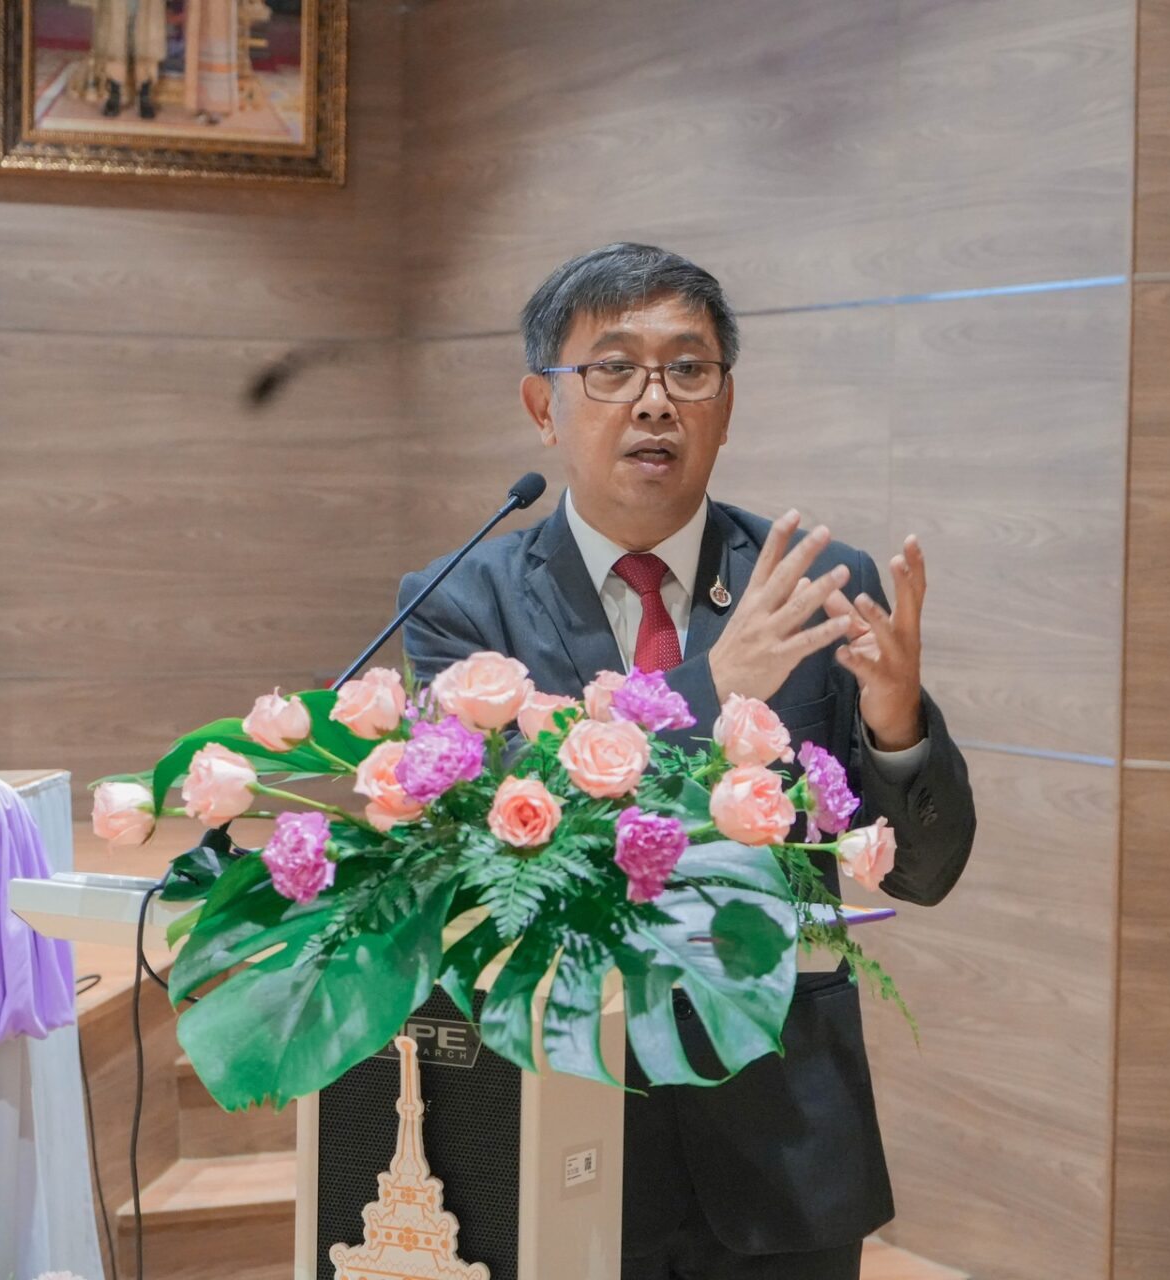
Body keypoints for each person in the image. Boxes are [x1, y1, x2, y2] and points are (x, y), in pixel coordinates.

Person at [398, 243, 978, 1279]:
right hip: (559, 1113)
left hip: (782, 1131)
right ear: (543, 405)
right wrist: (716, 688)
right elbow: (497, 850)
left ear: (726, 401)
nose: (655, 401)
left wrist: (897, 724)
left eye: (688, 369)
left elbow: (924, 873)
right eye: (614, 368)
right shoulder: (462, 604)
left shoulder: (811, 586)